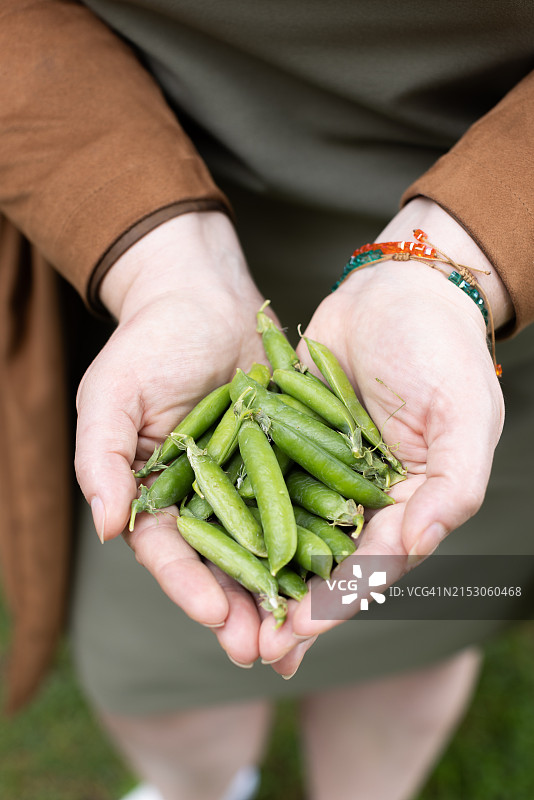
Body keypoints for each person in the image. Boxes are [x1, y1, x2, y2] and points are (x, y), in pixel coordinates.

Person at [1, 2, 533, 799]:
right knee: (157, 676)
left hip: (479, 300)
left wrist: (469, 257)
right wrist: (155, 259)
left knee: (418, 617)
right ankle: (202, 786)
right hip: (162, 182)